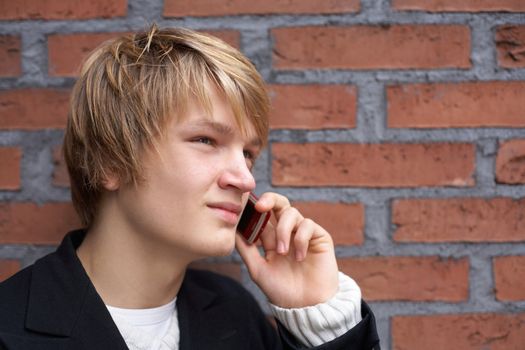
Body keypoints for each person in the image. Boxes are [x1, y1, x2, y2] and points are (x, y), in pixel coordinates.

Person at [0, 25, 380, 349]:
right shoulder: (10, 326)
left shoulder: (236, 313)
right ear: (110, 162)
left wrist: (319, 318)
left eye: (248, 153)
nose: (245, 179)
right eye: (206, 140)